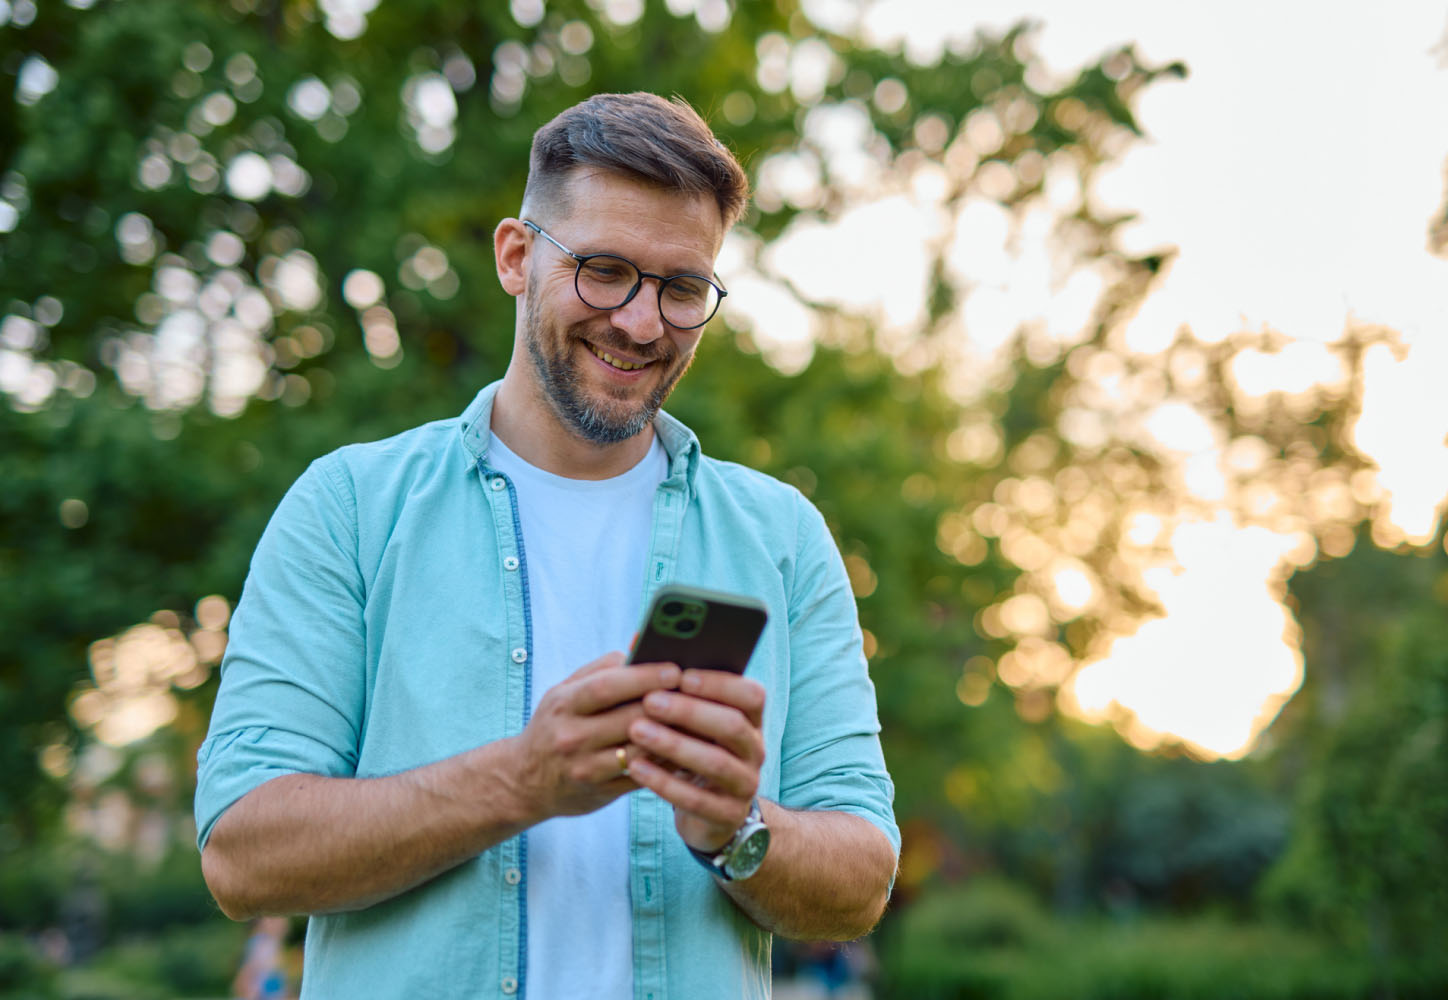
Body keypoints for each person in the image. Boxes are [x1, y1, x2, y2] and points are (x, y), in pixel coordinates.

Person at [195, 91, 899, 1000]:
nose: (643, 324)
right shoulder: (350, 508)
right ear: (517, 257)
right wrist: (520, 782)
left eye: (683, 289)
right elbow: (242, 853)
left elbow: (863, 876)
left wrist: (738, 830)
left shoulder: (782, 537)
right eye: (605, 270)